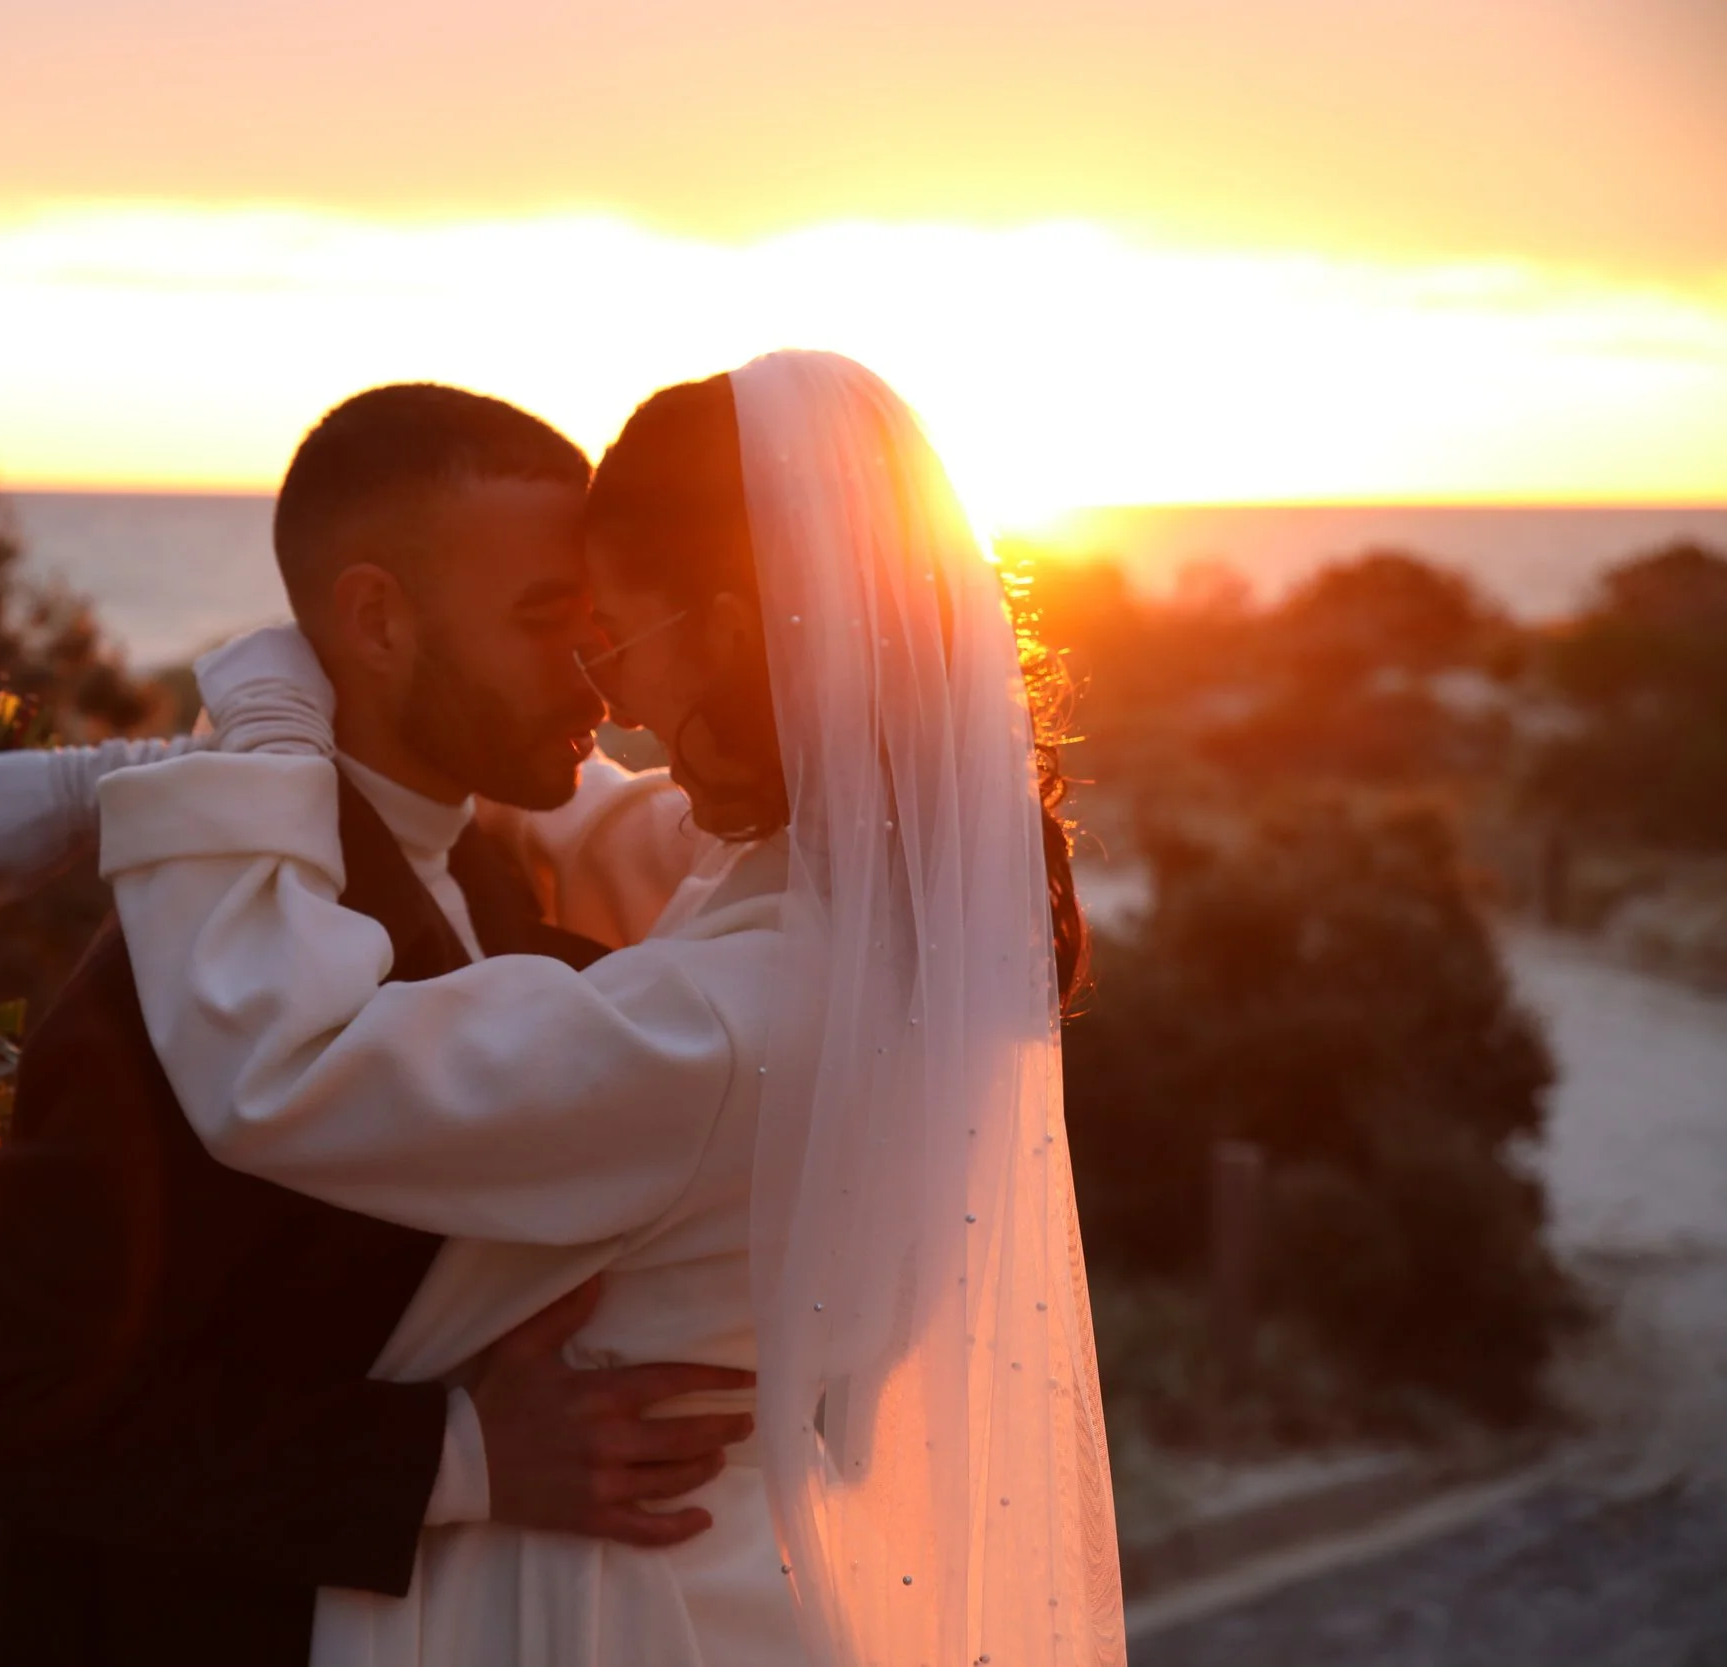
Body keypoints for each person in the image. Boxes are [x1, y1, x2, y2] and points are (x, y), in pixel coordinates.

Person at [87, 352, 1125, 1665]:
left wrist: (263, 729)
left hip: (597, 1608)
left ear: (736, 629)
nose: (609, 695)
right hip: (727, 1576)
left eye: (619, 634)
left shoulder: (733, 1018)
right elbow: (634, 834)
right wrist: (108, 778)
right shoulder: (898, 909)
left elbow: (285, 1062)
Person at [0, 384, 756, 1667]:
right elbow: (6, 1412)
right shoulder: (188, 970)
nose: (599, 675)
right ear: (377, 620)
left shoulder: (498, 869)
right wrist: (461, 1456)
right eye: (548, 621)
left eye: (603, 621)